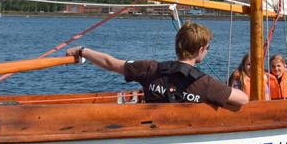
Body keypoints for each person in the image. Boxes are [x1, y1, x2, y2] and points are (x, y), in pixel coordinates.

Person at [66, 22, 247, 108]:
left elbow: (110, 63)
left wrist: (83, 51)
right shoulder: (205, 84)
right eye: (208, 48)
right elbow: (243, 99)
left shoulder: (149, 69)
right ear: (200, 50)